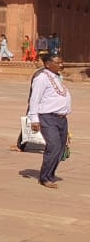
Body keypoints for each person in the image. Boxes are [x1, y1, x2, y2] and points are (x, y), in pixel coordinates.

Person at [28, 55, 71, 188]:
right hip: (48, 117)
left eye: (61, 62)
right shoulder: (41, 78)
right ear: (47, 64)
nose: (61, 65)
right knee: (53, 146)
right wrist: (34, 119)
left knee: (60, 148)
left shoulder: (57, 77)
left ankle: (50, 174)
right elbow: (34, 99)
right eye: (57, 63)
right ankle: (44, 177)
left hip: (61, 119)